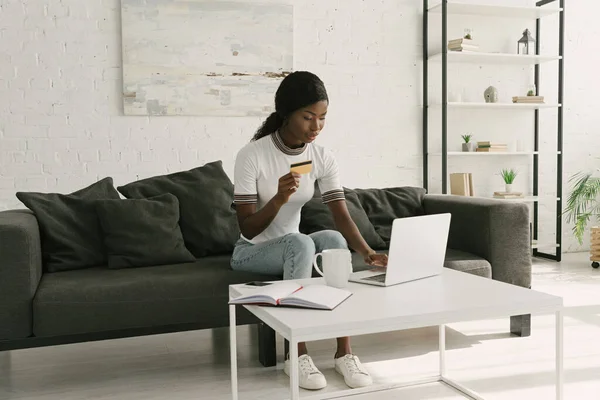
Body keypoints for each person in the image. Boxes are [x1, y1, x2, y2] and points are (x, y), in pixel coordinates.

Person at [230, 71, 388, 391]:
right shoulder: (252, 155)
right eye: (307, 117)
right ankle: (296, 354)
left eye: (322, 118)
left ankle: (344, 352)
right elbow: (246, 226)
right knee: (301, 244)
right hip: (253, 250)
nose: (316, 127)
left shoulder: (320, 156)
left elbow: (340, 215)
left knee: (332, 240)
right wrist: (278, 199)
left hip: (295, 245)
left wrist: (368, 253)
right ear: (286, 114)